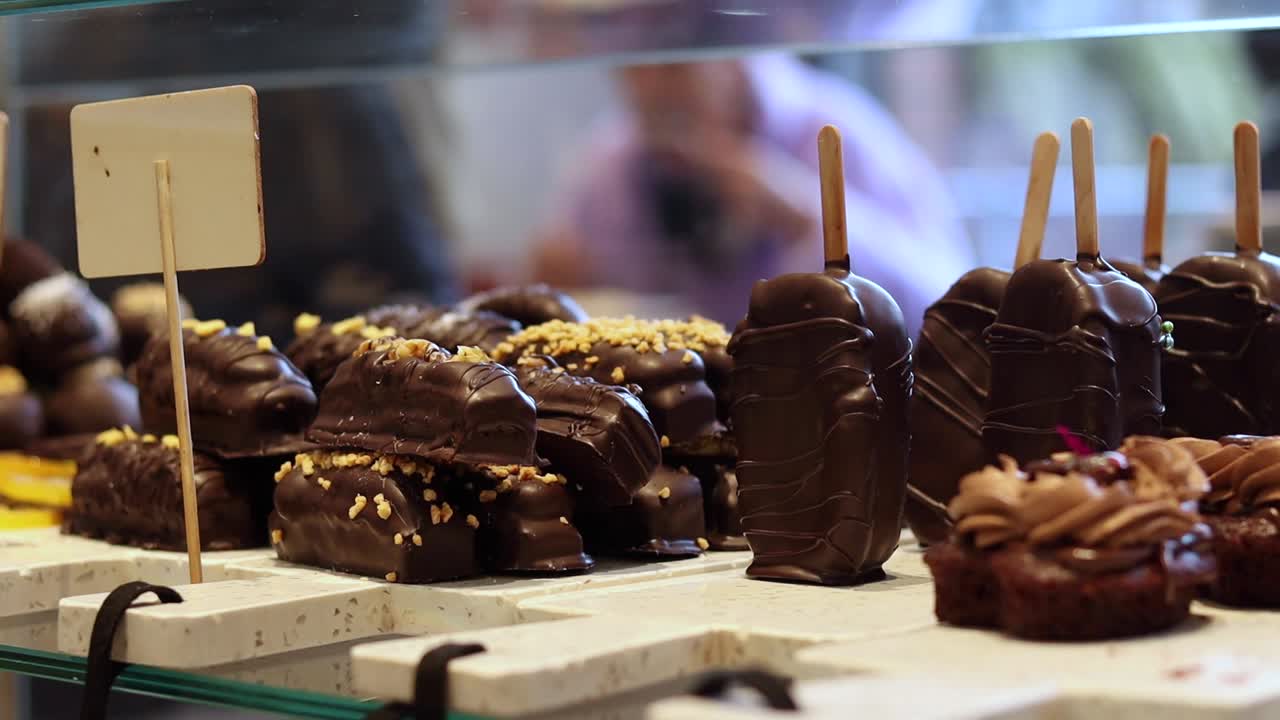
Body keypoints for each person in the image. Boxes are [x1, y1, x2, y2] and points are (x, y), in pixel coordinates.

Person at [534, 54, 973, 333]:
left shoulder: (837, 130)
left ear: (731, 57)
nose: (647, 89)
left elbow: (949, 307)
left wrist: (800, 214)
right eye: (632, 65)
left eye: (673, 65)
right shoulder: (617, 158)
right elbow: (566, 278)